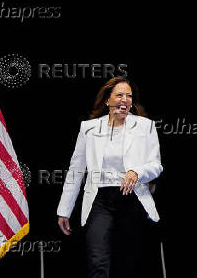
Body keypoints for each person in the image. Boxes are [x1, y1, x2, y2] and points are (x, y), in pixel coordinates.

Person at [56, 76, 163, 278]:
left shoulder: (145, 126)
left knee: (125, 263)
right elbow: (76, 170)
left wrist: (137, 172)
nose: (125, 99)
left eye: (129, 96)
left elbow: (156, 165)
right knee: (97, 260)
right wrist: (65, 209)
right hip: (100, 200)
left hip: (132, 199)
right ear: (107, 100)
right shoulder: (89, 129)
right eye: (120, 95)